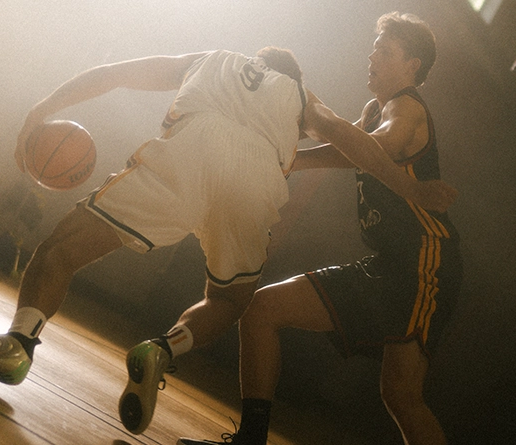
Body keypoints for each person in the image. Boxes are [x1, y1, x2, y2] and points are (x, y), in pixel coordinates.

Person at [0, 45, 458, 436]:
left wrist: (40, 108)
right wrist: (411, 185)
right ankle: (163, 349)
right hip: (257, 182)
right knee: (230, 301)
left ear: (257, 60)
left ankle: (18, 344)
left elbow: (114, 73)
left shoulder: (214, 58)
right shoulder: (302, 96)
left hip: (187, 153)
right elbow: (348, 138)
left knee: (60, 250)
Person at [179, 12, 462, 445]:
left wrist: (293, 155)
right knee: (262, 312)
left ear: (413, 66)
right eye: (374, 48)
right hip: (390, 263)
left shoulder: (406, 108)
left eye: (385, 52)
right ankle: (250, 439)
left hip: (423, 263)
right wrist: (292, 157)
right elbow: (349, 146)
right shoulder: (373, 110)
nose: (372, 56)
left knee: (402, 396)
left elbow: (373, 149)